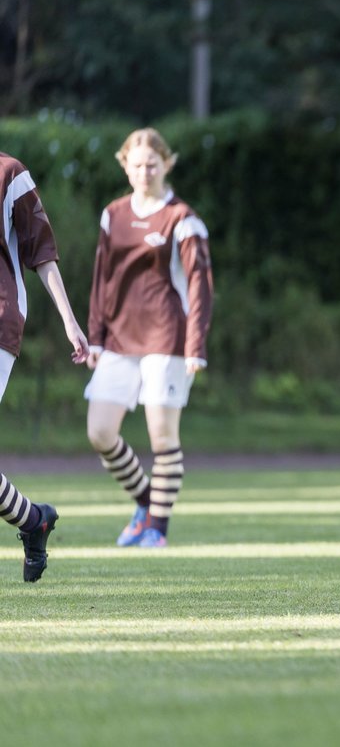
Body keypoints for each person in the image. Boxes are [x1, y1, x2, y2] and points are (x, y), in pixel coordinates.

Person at [84, 128, 213, 548]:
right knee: (100, 432)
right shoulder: (113, 214)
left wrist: (196, 345)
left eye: (152, 164)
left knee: (162, 437)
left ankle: (157, 529)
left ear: (167, 164)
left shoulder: (182, 218)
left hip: (167, 338)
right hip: (119, 340)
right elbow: (101, 279)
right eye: (137, 164)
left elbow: (200, 286)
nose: (144, 171)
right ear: (125, 165)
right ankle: (147, 504)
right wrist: (95, 337)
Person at [1, 151, 90, 581]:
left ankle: (34, 520)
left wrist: (70, 321)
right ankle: (34, 520)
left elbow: (42, 252)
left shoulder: (9, 173)